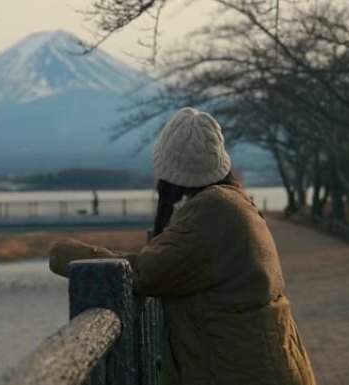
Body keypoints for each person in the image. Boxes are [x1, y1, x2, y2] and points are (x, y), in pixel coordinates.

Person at [49, 107, 316, 385]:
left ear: (167, 168)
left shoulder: (212, 212)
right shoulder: (232, 202)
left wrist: (64, 253)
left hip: (242, 370)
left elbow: (145, 273)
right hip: (262, 364)